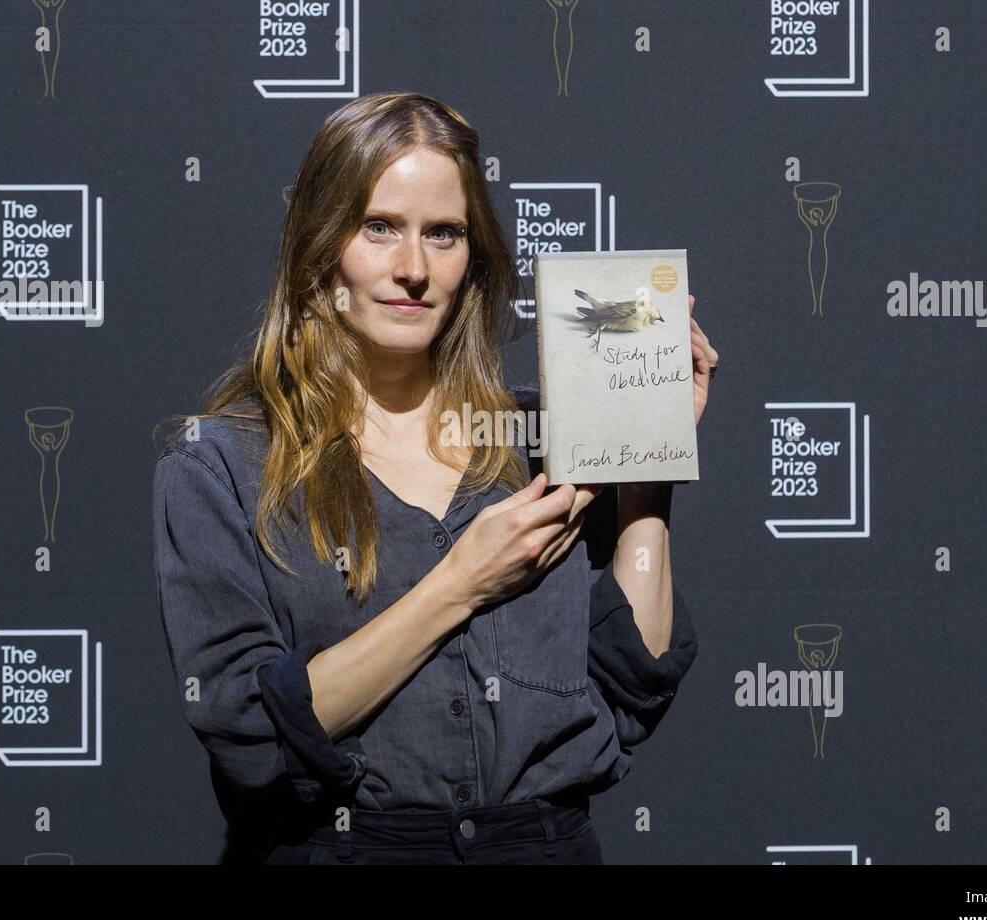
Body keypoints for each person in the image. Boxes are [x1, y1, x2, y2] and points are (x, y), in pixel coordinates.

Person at [151, 91, 719, 865]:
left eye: (443, 233)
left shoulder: (545, 435)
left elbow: (634, 682)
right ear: (321, 248)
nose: (413, 268)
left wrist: (648, 456)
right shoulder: (220, 465)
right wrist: (460, 582)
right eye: (379, 227)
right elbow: (249, 729)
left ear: (473, 259)